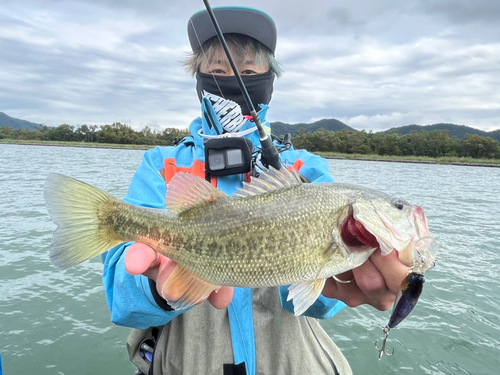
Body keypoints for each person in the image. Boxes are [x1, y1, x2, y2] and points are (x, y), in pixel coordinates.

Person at [101, 6, 409, 375]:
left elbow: (317, 300)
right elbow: (122, 301)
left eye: (248, 71)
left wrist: (338, 284)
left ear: (270, 79)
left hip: (291, 359)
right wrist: (159, 288)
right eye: (217, 70)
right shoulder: (162, 164)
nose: (233, 80)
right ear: (197, 77)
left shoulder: (303, 169)